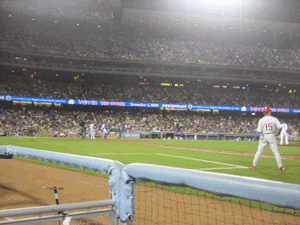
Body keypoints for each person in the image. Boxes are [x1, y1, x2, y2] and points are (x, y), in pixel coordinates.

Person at [251, 107, 285, 171]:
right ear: (268, 112)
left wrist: (262, 134)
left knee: (259, 151)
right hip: (272, 135)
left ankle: (253, 165)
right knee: (275, 151)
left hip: (264, 135)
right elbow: (280, 127)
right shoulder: (274, 119)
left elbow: (258, 131)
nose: (271, 112)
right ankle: (280, 167)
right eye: (270, 111)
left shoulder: (261, 120)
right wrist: (278, 133)